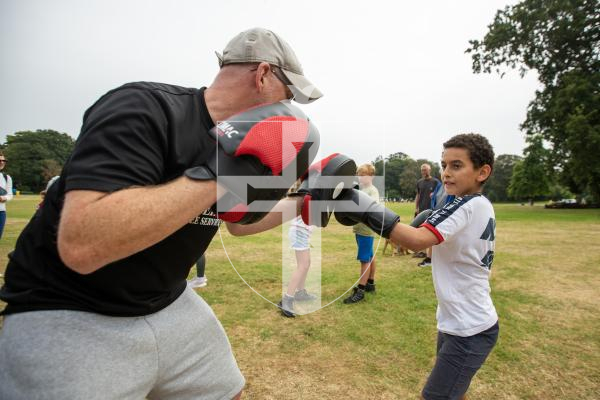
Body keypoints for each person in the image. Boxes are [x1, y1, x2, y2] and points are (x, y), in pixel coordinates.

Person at [0, 27, 326, 400]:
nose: (289, 105)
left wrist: (306, 202)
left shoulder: (244, 143)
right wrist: (223, 171)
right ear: (263, 73)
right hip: (68, 305)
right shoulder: (143, 107)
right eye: (287, 92)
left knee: (228, 392)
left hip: (168, 300)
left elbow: (239, 223)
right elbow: (83, 244)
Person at [334, 133, 499, 399]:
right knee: (453, 391)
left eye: (456, 166)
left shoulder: (466, 206)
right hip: (458, 322)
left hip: (469, 330)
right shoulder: (480, 205)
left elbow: (416, 242)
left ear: (482, 172)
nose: (446, 173)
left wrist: (365, 207)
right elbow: (424, 238)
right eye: (444, 165)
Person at [343, 163, 379, 304]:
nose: (360, 177)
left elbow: (372, 207)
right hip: (359, 228)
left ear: (371, 176)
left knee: (365, 259)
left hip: (366, 230)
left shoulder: (372, 190)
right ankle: (370, 283)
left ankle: (361, 290)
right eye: (359, 174)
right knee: (370, 255)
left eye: (363, 175)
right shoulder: (360, 189)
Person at [278, 214, 317, 317]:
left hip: (303, 231)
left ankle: (300, 293)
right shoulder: (309, 197)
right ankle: (286, 300)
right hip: (300, 231)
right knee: (303, 265)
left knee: (306, 264)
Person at [417, 172, 455, 267]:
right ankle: (430, 258)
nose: (445, 175)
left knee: (436, 238)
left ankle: (431, 259)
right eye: (443, 172)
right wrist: (432, 196)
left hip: (445, 215)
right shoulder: (439, 185)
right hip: (435, 212)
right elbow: (435, 197)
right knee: (432, 237)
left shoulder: (452, 186)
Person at [0, 152, 13, 240]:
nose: (2, 162)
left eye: (4, 160)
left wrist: (3, 198)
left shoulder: (6, 177)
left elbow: (10, 194)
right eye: (0, 160)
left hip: (1, 212)